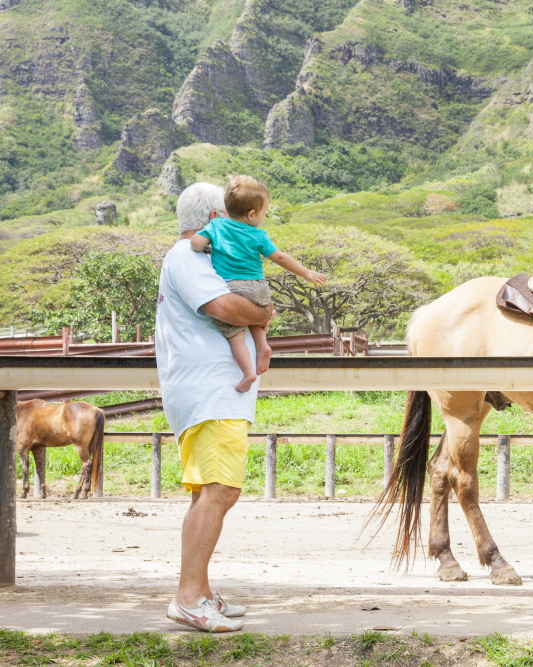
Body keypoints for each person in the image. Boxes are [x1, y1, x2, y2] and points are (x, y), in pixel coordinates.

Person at [156, 182, 274, 633]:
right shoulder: (188, 257)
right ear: (212, 217)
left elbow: (247, 306)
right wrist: (262, 311)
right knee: (222, 489)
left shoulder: (203, 258)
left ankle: (199, 593)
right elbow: (229, 306)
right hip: (209, 393)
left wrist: (258, 310)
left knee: (208, 490)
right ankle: (188, 598)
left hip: (212, 393)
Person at [191, 175, 326, 392]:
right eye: (264, 213)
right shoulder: (259, 235)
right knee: (256, 314)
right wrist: (306, 273)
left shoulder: (216, 225)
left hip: (232, 288)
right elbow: (280, 258)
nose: (264, 218)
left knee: (234, 332)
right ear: (252, 214)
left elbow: (196, 244)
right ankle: (263, 345)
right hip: (259, 287)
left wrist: (205, 244)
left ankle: (248, 373)